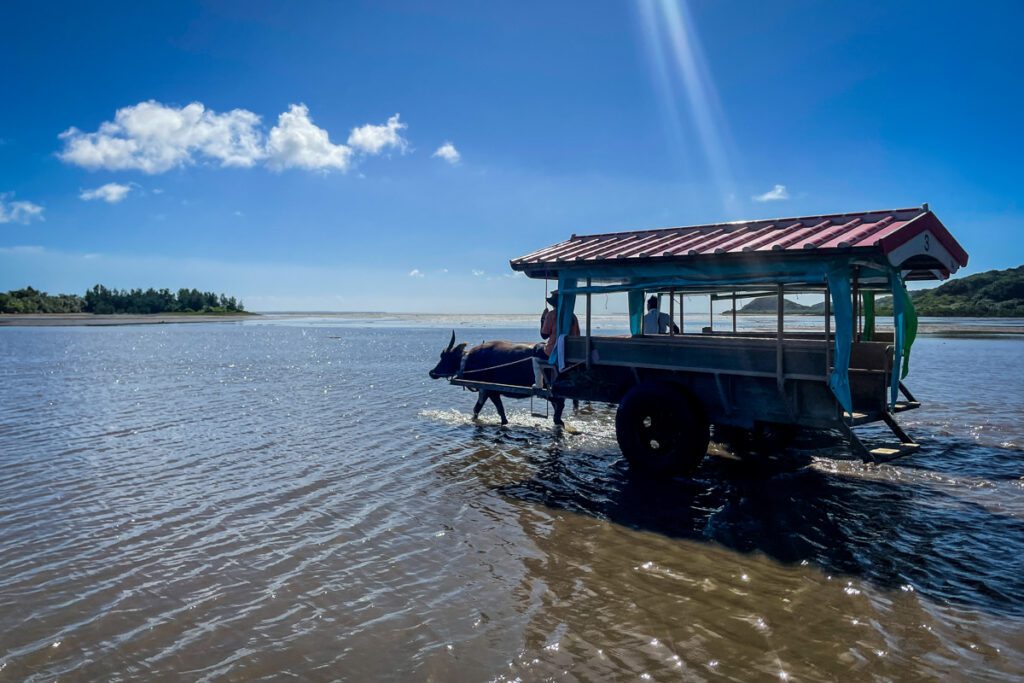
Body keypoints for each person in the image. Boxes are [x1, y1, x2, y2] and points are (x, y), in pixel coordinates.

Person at [534, 291, 580, 388]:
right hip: (571, 351)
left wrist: (542, 319)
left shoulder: (551, 315)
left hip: (555, 351)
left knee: (536, 355)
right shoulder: (572, 316)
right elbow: (578, 335)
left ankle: (538, 384)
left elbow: (544, 335)